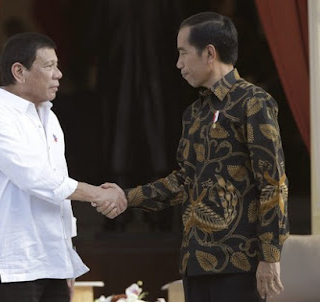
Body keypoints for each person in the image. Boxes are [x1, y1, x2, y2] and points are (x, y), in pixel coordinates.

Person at [107, 12, 289, 302]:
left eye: (182, 53)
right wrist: (126, 197)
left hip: (240, 265)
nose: (178, 63)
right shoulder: (194, 113)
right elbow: (184, 181)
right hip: (195, 263)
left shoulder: (253, 102)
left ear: (209, 53)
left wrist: (270, 257)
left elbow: (273, 184)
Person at [0, 32, 126, 302]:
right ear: (19, 71)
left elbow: (58, 188)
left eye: (57, 65)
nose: (59, 74)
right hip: (13, 267)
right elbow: (37, 179)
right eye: (49, 66)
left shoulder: (49, 116)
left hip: (53, 264)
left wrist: (67, 259)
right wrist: (99, 194)